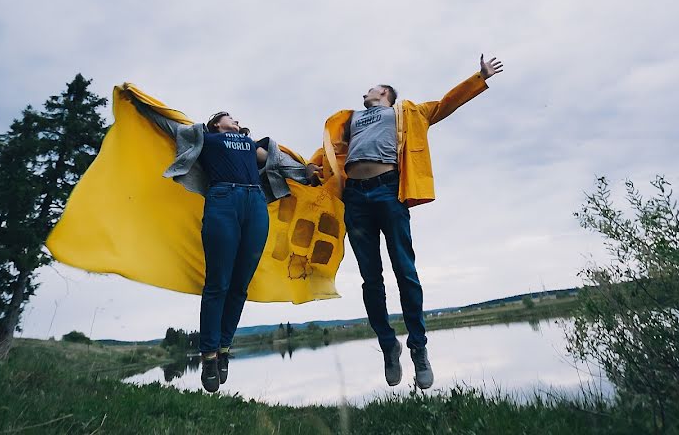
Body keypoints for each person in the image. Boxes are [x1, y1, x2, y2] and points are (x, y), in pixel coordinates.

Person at [312, 54, 504, 389]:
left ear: (385, 93)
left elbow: (446, 105)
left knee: (405, 270)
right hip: (356, 197)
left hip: (389, 193)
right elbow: (326, 154)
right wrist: (306, 170)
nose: (365, 91)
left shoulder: (407, 112)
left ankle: (418, 349)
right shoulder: (349, 120)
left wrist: (479, 77)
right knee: (371, 279)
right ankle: (389, 345)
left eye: (371, 88)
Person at [132, 100, 319, 392]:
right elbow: (170, 124)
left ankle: (224, 351)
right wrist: (140, 102)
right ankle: (208, 356)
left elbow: (277, 161)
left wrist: (305, 170)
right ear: (217, 123)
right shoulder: (206, 138)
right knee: (218, 283)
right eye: (230, 116)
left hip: (255, 202)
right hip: (223, 200)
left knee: (240, 285)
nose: (236, 118)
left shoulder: (250, 143)